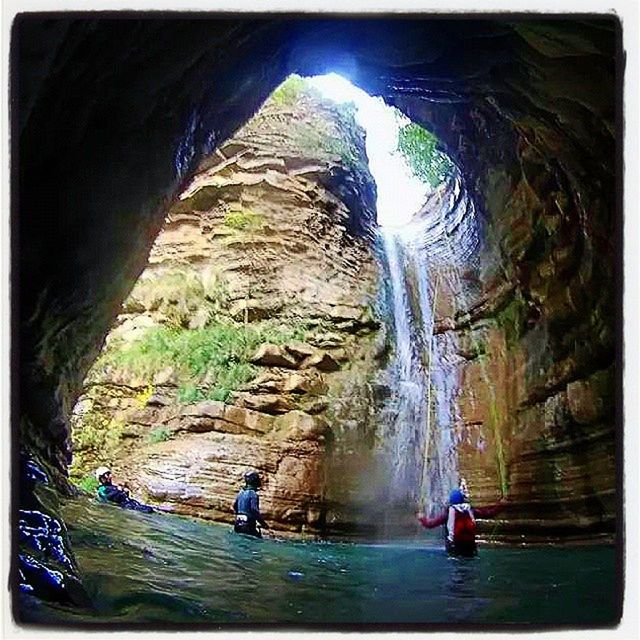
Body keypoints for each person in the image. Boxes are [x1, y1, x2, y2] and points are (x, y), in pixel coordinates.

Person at [417, 482, 503, 556]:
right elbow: (489, 514)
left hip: (455, 547)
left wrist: (422, 518)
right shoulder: (470, 511)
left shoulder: (448, 514)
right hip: (470, 547)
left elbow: (430, 524)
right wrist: (501, 505)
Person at [232, 470, 269, 538]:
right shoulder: (253, 494)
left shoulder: (241, 492)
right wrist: (263, 523)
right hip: (248, 526)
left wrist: (240, 514)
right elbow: (254, 510)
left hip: (237, 524)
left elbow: (234, 506)